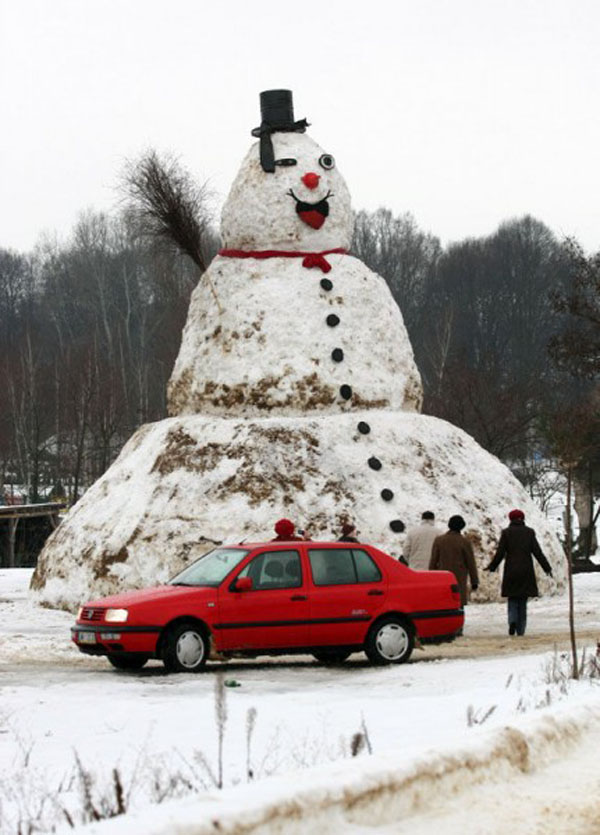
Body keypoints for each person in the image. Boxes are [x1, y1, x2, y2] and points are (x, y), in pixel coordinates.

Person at [485, 509, 552, 636]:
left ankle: (512, 621)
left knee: (512, 599)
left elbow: (500, 553)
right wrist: (547, 568)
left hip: (511, 570)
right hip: (526, 570)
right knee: (523, 600)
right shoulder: (529, 532)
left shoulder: (506, 533)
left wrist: (492, 567)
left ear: (511, 519)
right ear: (523, 518)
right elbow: (537, 552)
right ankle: (521, 629)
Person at [429, 515, 479, 606]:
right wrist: (474, 581)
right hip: (459, 578)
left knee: (444, 602)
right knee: (458, 603)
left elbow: (433, 561)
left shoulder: (439, 540)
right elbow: (471, 563)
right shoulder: (464, 542)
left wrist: (430, 577)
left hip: (442, 577)